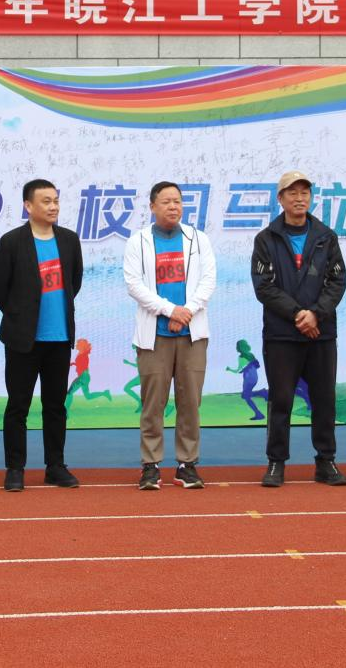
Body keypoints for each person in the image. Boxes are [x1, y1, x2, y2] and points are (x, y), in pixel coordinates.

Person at [250, 171, 346, 488]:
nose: (299, 198)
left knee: (324, 399)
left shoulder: (326, 236)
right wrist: (298, 315)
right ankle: (276, 462)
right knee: (281, 400)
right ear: (280, 199)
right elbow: (264, 287)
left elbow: (337, 281)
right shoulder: (266, 239)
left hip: (321, 333)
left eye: (304, 192)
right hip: (281, 334)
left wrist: (316, 315)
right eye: (292, 192)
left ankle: (326, 461)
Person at [0, 179, 83, 492]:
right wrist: (20, 315)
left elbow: (74, 282)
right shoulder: (12, 242)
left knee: (55, 406)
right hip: (23, 339)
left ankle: (55, 466)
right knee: (18, 405)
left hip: (59, 338)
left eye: (55, 200)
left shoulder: (68, 240)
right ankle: (15, 468)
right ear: (28, 206)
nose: (53, 206)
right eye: (46, 201)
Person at [124, 181, 217, 490]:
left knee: (190, 402)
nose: (173, 206)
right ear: (152, 206)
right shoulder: (138, 242)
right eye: (166, 201)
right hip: (155, 335)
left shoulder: (198, 239)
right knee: (153, 403)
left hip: (192, 335)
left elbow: (208, 281)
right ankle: (150, 465)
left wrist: (186, 311)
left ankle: (186, 464)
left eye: (177, 201)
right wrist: (170, 311)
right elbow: (134, 285)